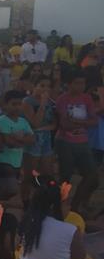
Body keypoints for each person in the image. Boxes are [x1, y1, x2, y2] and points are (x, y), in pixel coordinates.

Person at [54, 67, 99, 214]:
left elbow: (94, 121)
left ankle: (75, 206)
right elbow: (64, 125)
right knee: (65, 176)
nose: (81, 86)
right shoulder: (62, 99)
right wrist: (84, 122)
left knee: (92, 176)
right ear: (69, 84)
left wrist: (76, 121)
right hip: (65, 141)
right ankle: (59, 206)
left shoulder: (86, 98)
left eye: (83, 83)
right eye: (77, 83)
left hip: (82, 141)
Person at [21, 77, 56, 208]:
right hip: (32, 140)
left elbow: (53, 124)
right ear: (34, 86)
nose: (45, 89)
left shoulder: (51, 103)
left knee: (47, 173)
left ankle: (43, 201)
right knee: (29, 175)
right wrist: (42, 105)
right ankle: (25, 202)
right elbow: (35, 123)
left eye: (48, 86)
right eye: (42, 85)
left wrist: (43, 128)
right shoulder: (27, 102)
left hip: (45, 138)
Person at [0, 90, 34, 201]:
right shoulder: (2, 121)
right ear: (6, 105)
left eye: (19, 104)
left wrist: (18, 139)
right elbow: (9, 142)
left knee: (6, 191)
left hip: (17, 161)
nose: (17, 107)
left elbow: (32, 139)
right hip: (3, 160)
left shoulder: (23, 121)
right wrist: (23, 140)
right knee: (12, 190)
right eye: (13, 104)